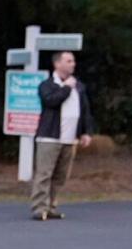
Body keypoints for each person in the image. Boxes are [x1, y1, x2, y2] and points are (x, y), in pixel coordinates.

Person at [30, 50, 94, 221]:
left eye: (73, 61)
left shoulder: (78, 87)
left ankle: (51, 206)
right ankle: (39, 207)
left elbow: (85, 110)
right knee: (44, 174)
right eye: (69, 61)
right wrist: (67, 88)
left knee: (60, 176)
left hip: (69, 139)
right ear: (57, 64)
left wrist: (86, 132)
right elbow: (51, 101)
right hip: (50, 137)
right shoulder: (47, 85)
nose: (73, 64)